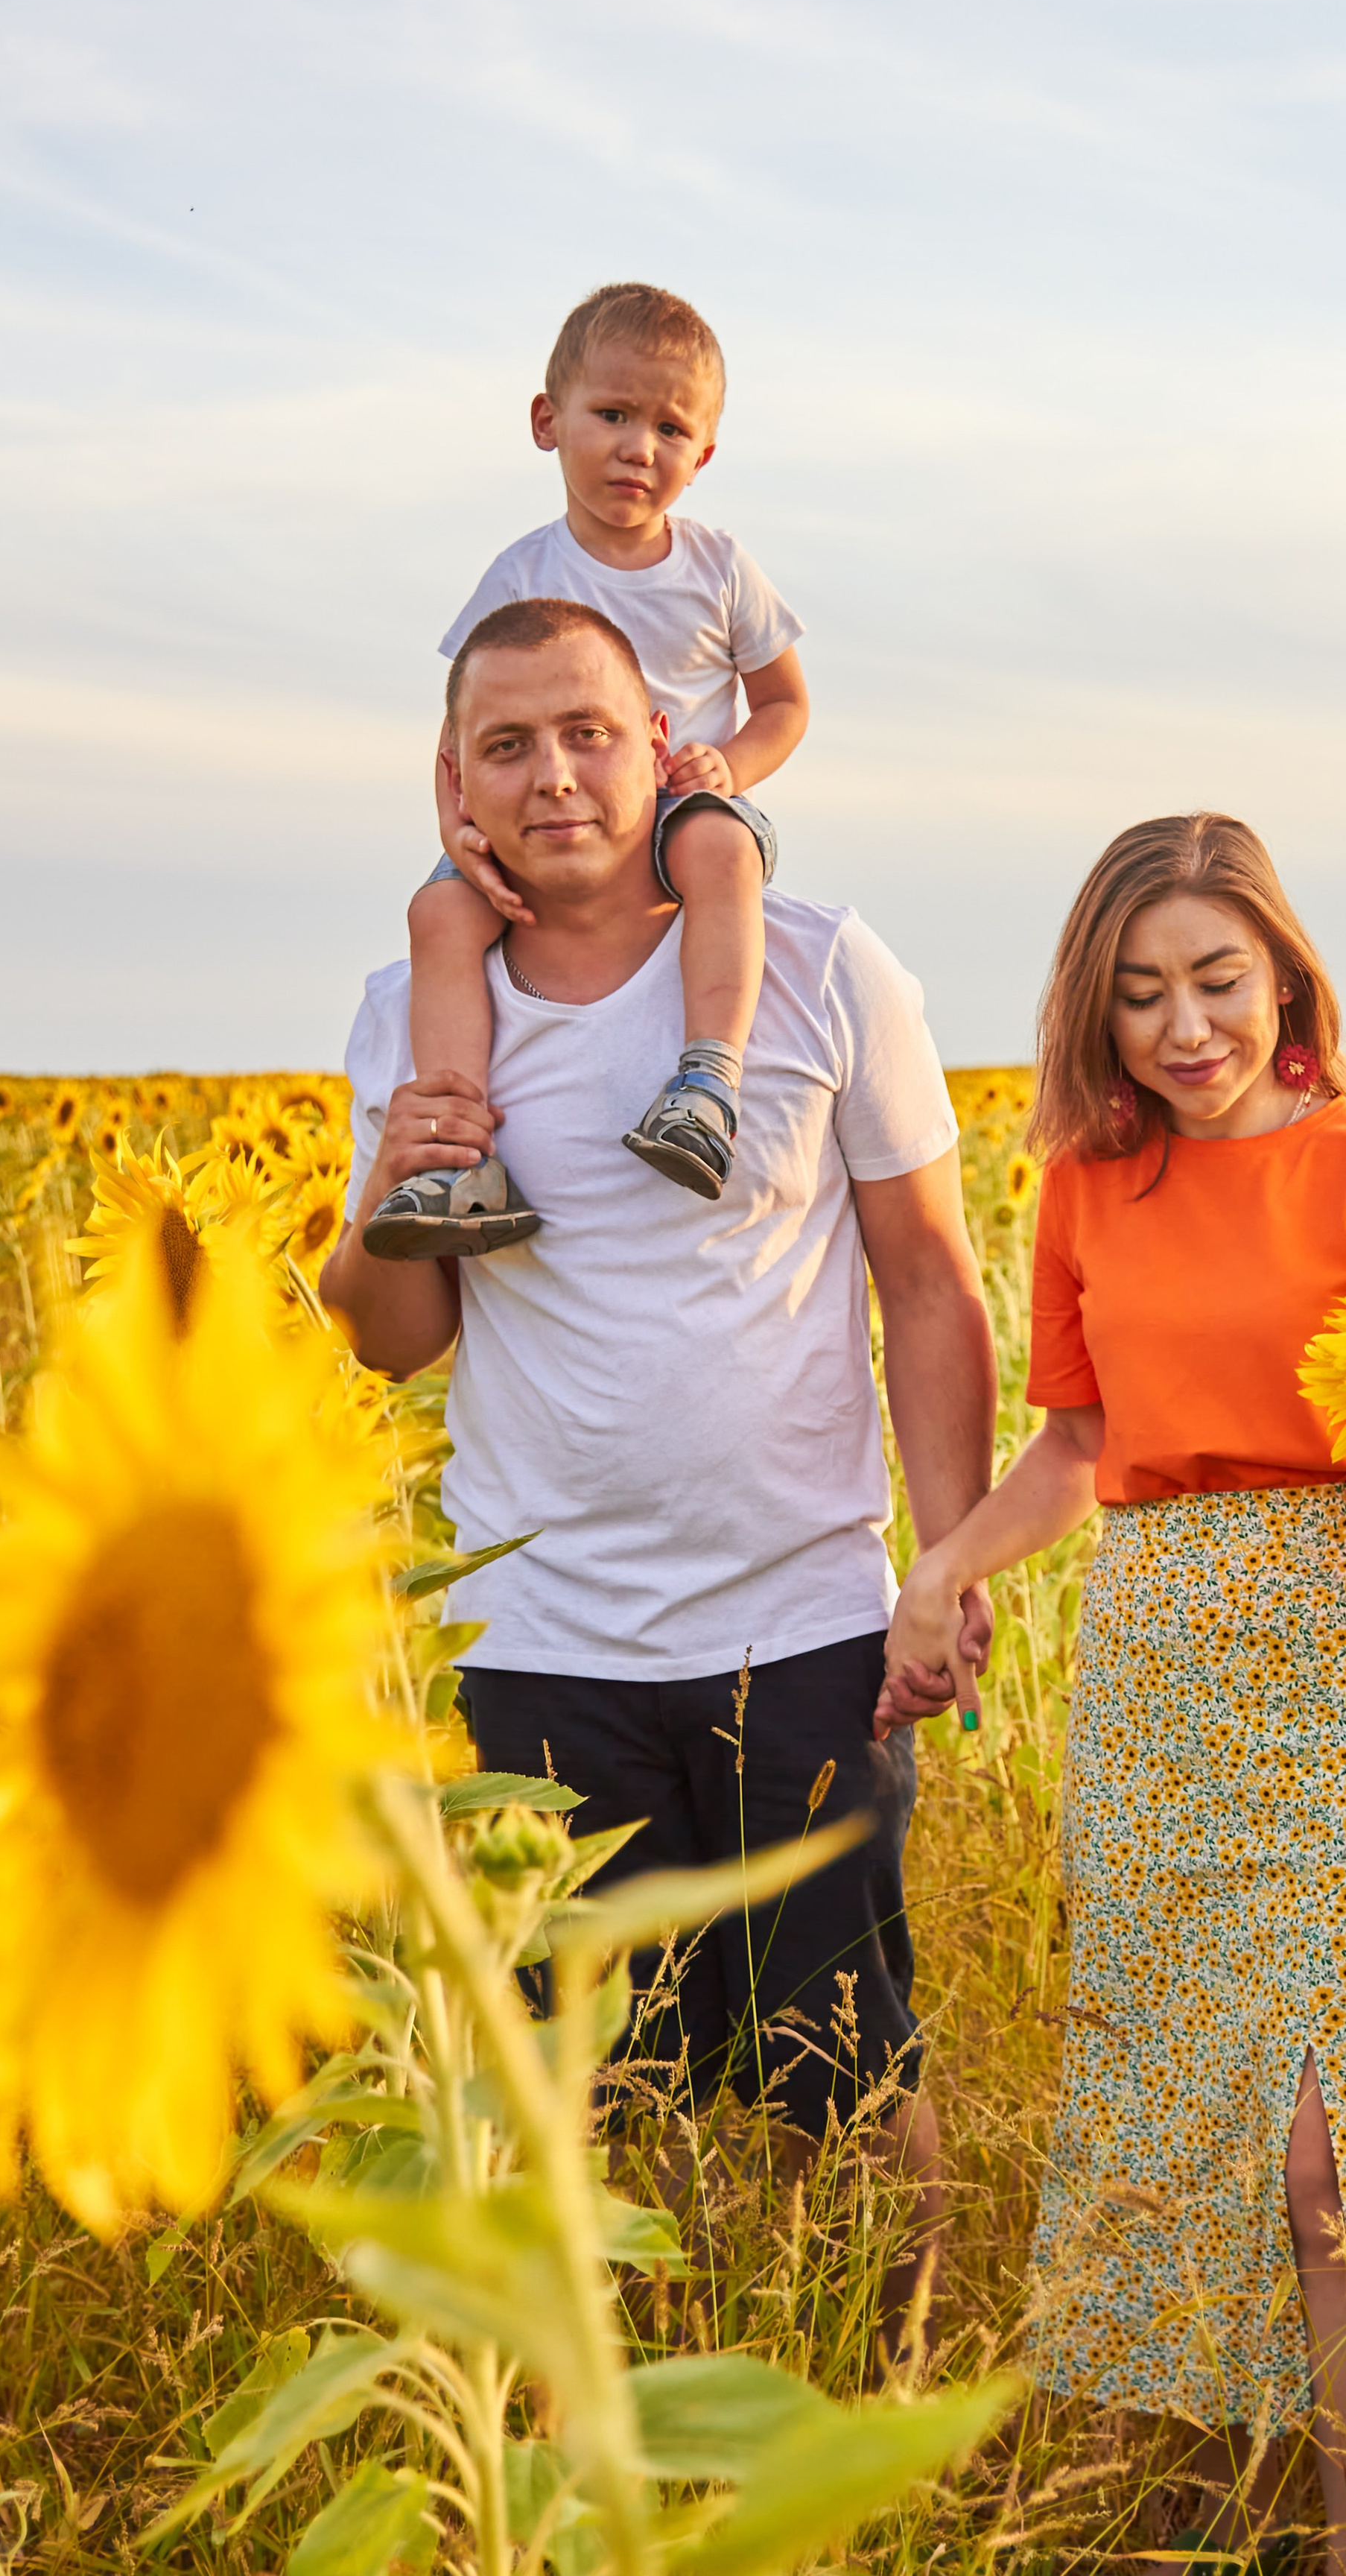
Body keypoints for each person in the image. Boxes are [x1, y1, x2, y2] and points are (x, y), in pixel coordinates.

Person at [320, 596, 997, 2303]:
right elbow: (394, 1338)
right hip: (541, 1644)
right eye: (507, 745)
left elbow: (929, 1282)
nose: (553, 776)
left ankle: (884, 2392)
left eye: (586, 733)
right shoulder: (412, 1014)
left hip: (803, 1629)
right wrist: (394, 1182)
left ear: (657, 748)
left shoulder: (823, 967)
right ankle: (628, 2409)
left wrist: (949, 1562)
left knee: (844, 2068)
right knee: (593, 2095)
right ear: (452, 784)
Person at [880, 815, 1346, 2572]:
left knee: (1329, 2155)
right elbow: (1075, 1448)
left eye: (1217, 982)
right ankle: (1216, 2511)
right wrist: (944, 1567)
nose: (1184, 1028)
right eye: (1141, 994)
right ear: (1095, 1013)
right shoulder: (1088, 1189)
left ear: (1284, 979)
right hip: (1155, 1673)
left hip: (1338, 1665)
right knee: (1173, 2126)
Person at [364, 281, 809, 1259]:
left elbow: (785, 705)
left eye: (670, 428)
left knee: (721, 856)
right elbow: (461, 728)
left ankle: (707, 1083)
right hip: (541, 823)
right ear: (547, 422)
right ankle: (458, 1153)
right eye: (612, 415)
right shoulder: (522, 575)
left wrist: (729, 768)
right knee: (439, 916)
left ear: (704, 454)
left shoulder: (720, 568)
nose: (639, 447)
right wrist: (456, 830)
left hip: (679, 805)